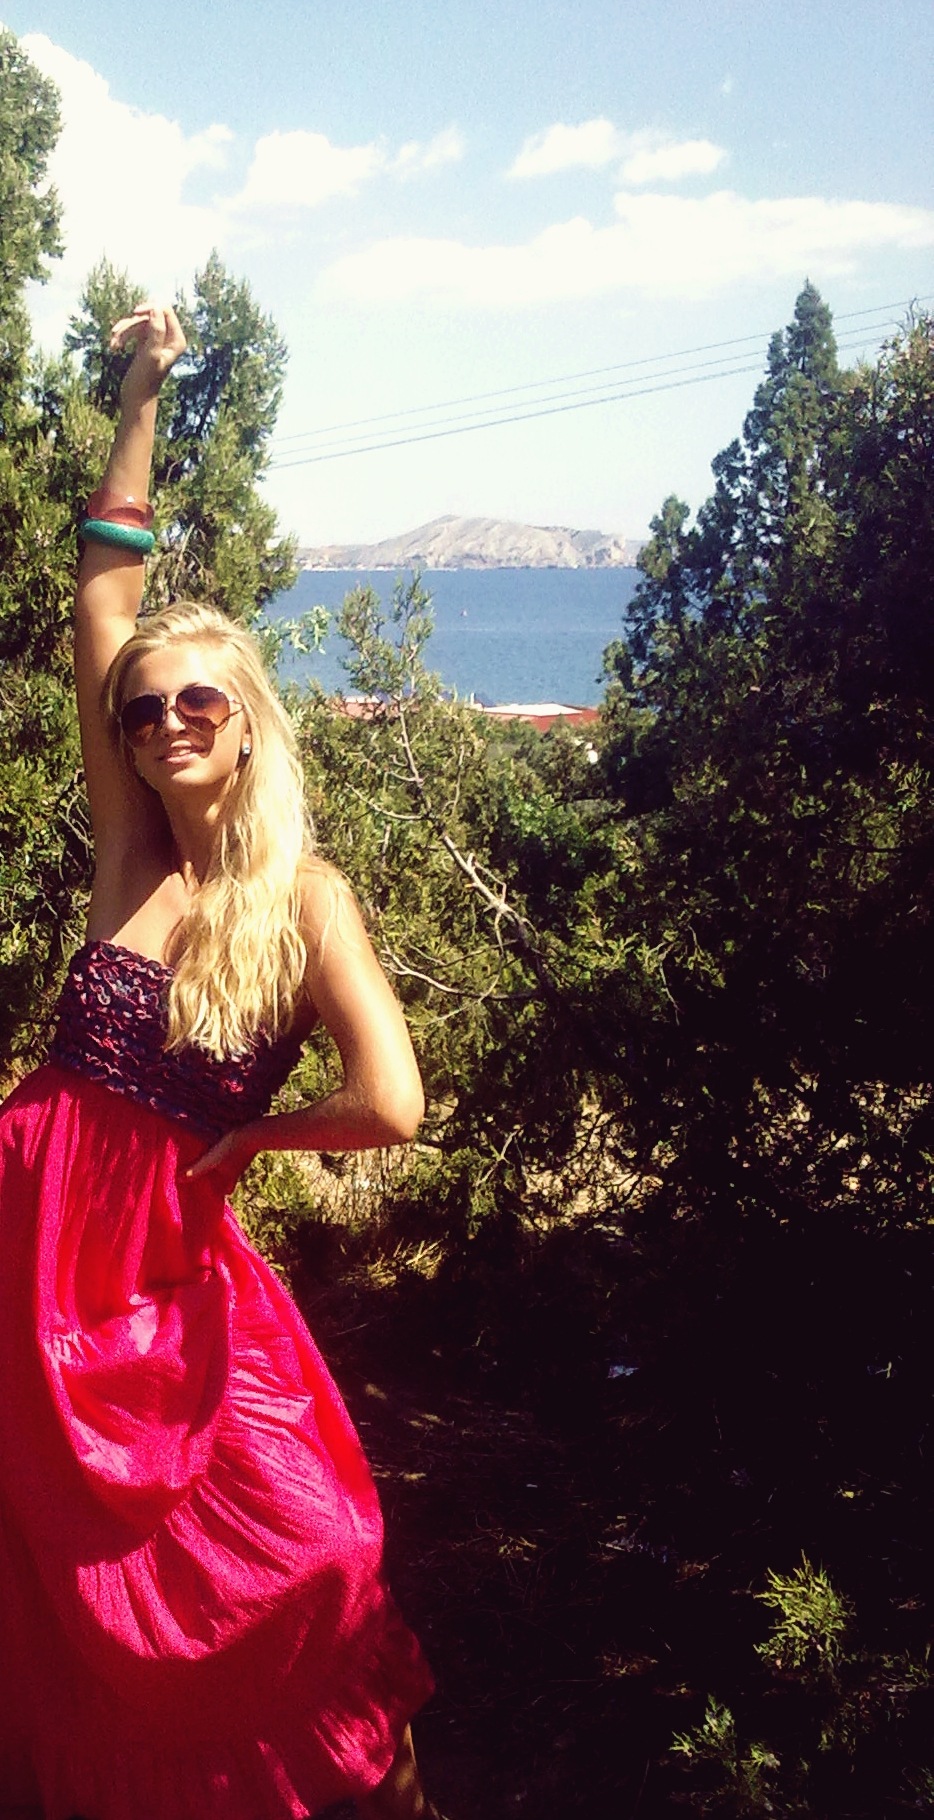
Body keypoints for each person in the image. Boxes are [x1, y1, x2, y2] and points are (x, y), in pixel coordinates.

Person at [0, 306, 444, 1820]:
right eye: (144, 710)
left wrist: (257, 1142)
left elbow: (392, 1102)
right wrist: (137, 399)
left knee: (305, 1550)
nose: (168, 721)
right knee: (63, 1595)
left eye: (200, 701)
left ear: (247, 724)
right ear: (123, 740)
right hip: (25, 1251)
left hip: (161, 1274)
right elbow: (103, 587)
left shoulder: (306, 902)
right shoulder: (129, 857)